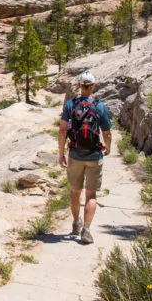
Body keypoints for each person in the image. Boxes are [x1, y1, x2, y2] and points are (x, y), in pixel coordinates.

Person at [58, 71, 112, 244]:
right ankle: (86, 230)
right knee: (91, 195)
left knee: (75, 191)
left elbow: (62, 130)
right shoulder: (99, 106)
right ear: (94, 86)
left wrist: (61, 154)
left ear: (80, 85)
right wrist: (108, 148)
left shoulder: (70, 105)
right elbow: (107, 132)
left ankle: (75, 223)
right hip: (94, 155)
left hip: (75, 154)